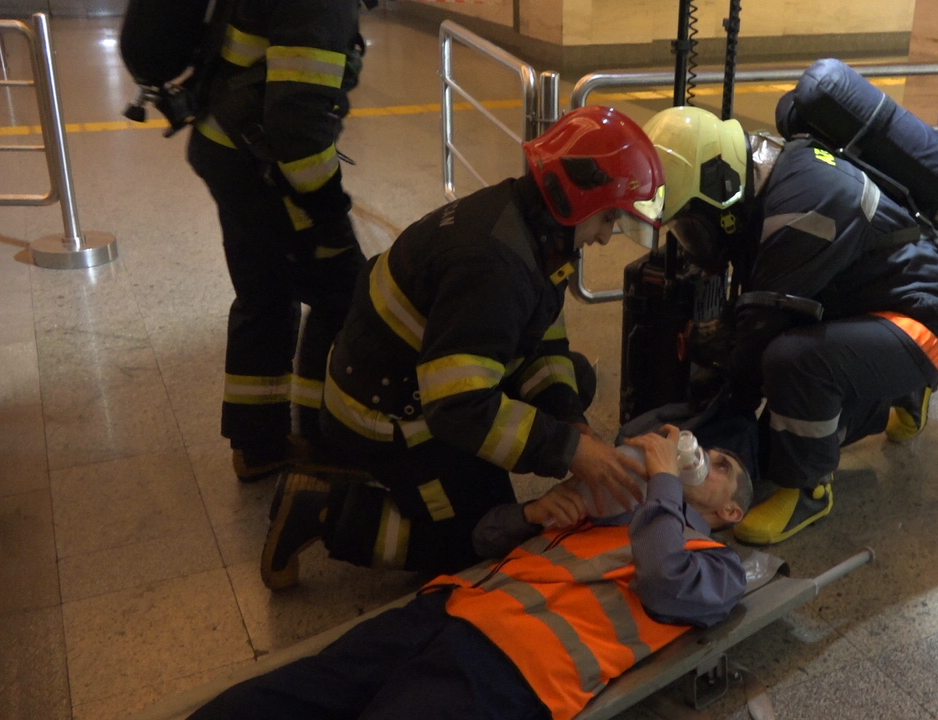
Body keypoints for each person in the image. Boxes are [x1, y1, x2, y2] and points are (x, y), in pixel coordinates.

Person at [258, 106, 669, 589]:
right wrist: (568, 449)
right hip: (386, 415)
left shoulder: (534, 231)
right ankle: (319, 510)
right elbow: (456, 406)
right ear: (579, 200)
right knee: (479, 537)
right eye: (609, 218)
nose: (604, 237)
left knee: (574, 379)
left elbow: (543, 341)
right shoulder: (493, 266)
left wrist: (570, 423)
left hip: (413, 379)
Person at [189, 426, 751, 720]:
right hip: (446, 609)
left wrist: (664, 483)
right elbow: (482, 541)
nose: (705, 458)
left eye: (721, 466)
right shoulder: (619, 508)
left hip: (516, 664)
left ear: (731, 512)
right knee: (294, 694)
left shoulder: (718, 563)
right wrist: (532, 513)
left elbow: (664, 581)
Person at [643, 104, 938, 546]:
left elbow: (760, 333)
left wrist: (717, 398)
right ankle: (901, 389)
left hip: (921, 325)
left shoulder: (798, 210)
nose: (691, 237)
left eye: (690, 222)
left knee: (792, 360)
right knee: (784, 414)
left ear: (719, 184)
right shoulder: (771, 173)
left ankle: (808, 490)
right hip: (875, 305)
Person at [186, 0, 374, 482]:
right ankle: (323, 442)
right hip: (263, 160)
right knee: (344, 292)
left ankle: (258, 445)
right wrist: (328, 212)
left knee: (265, 293)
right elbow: (298, 124)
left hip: (225, 140)